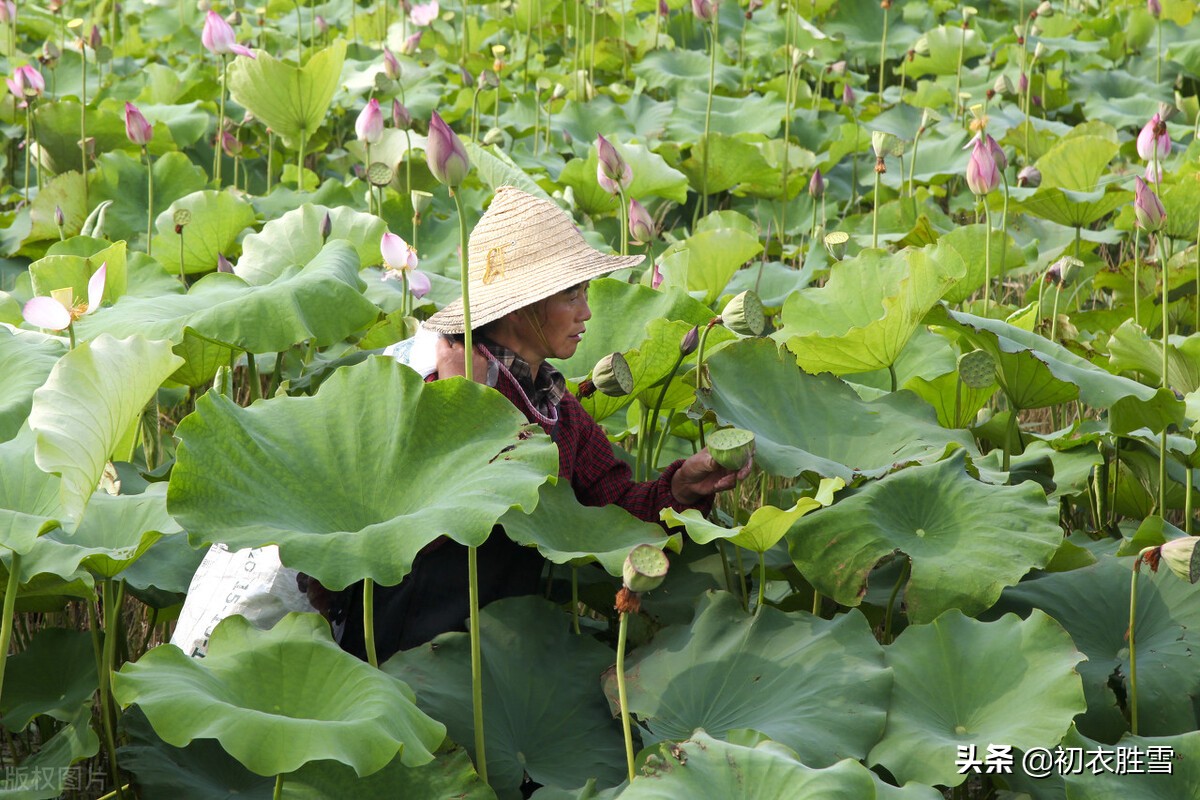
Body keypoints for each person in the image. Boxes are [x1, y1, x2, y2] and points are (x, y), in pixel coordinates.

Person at [335, 186, 750, 661]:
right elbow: (418, 528)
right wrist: (464, 407)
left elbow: (614, 507)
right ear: (520, 304)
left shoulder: (559, 406)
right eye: (572, 294)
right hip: (408, 634)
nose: (587, 312)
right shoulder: (436, 383)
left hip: (502, 645)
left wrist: (682, 486)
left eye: (585, 292)